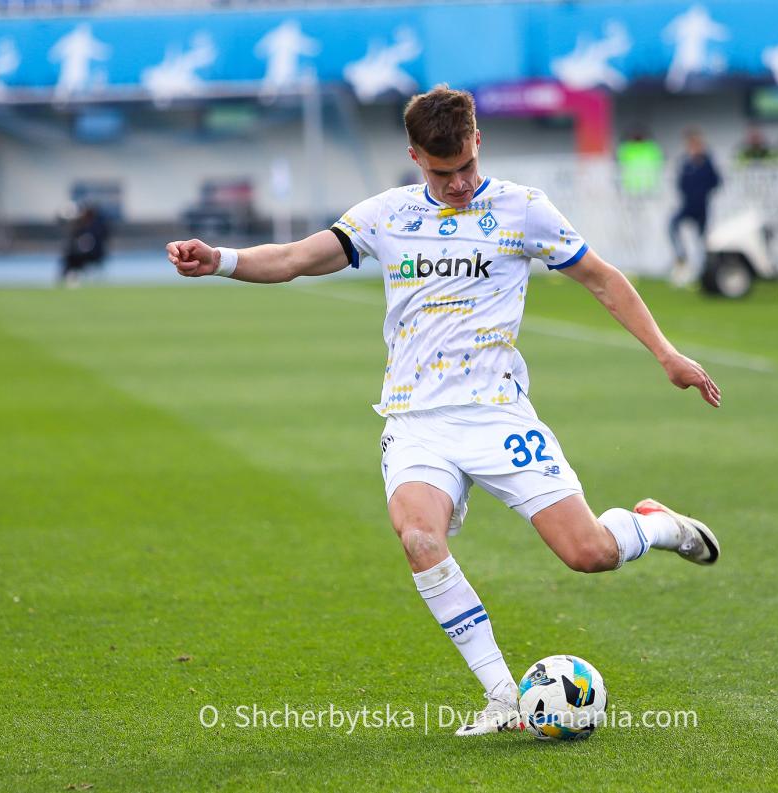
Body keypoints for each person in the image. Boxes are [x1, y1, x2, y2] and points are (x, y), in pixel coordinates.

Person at [165, 86, 723, 736]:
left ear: (477, 141)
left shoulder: (522, 209)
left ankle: (655, 525)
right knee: (419, 539)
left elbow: (601, 277)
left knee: (589, 554)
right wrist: (221, 260)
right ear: (414, 157)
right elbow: (293, 258)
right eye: (441, 172)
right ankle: (502, 696)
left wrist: (667, 354)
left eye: (465, 166)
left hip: (498, 416)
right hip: (416, 422)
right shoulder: (387, 214)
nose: (457, 183)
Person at [669, 127, 721, 285]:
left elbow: (716, 181)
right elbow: (680, 183)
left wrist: (702, 192)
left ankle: (704, 269)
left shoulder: (707, 162)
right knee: (672, 226)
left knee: (702, 240)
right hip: (688, 205)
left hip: (702, 207)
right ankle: (682, 257)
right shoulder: (685, 162)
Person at [60, 204, 109, 287]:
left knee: (73, 257)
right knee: (70, 257)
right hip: (85, 254)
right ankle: (69, 277)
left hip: (94, 254)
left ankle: (71, 277)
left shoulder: (96, 226)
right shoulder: (81, 226)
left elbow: (96, 242)